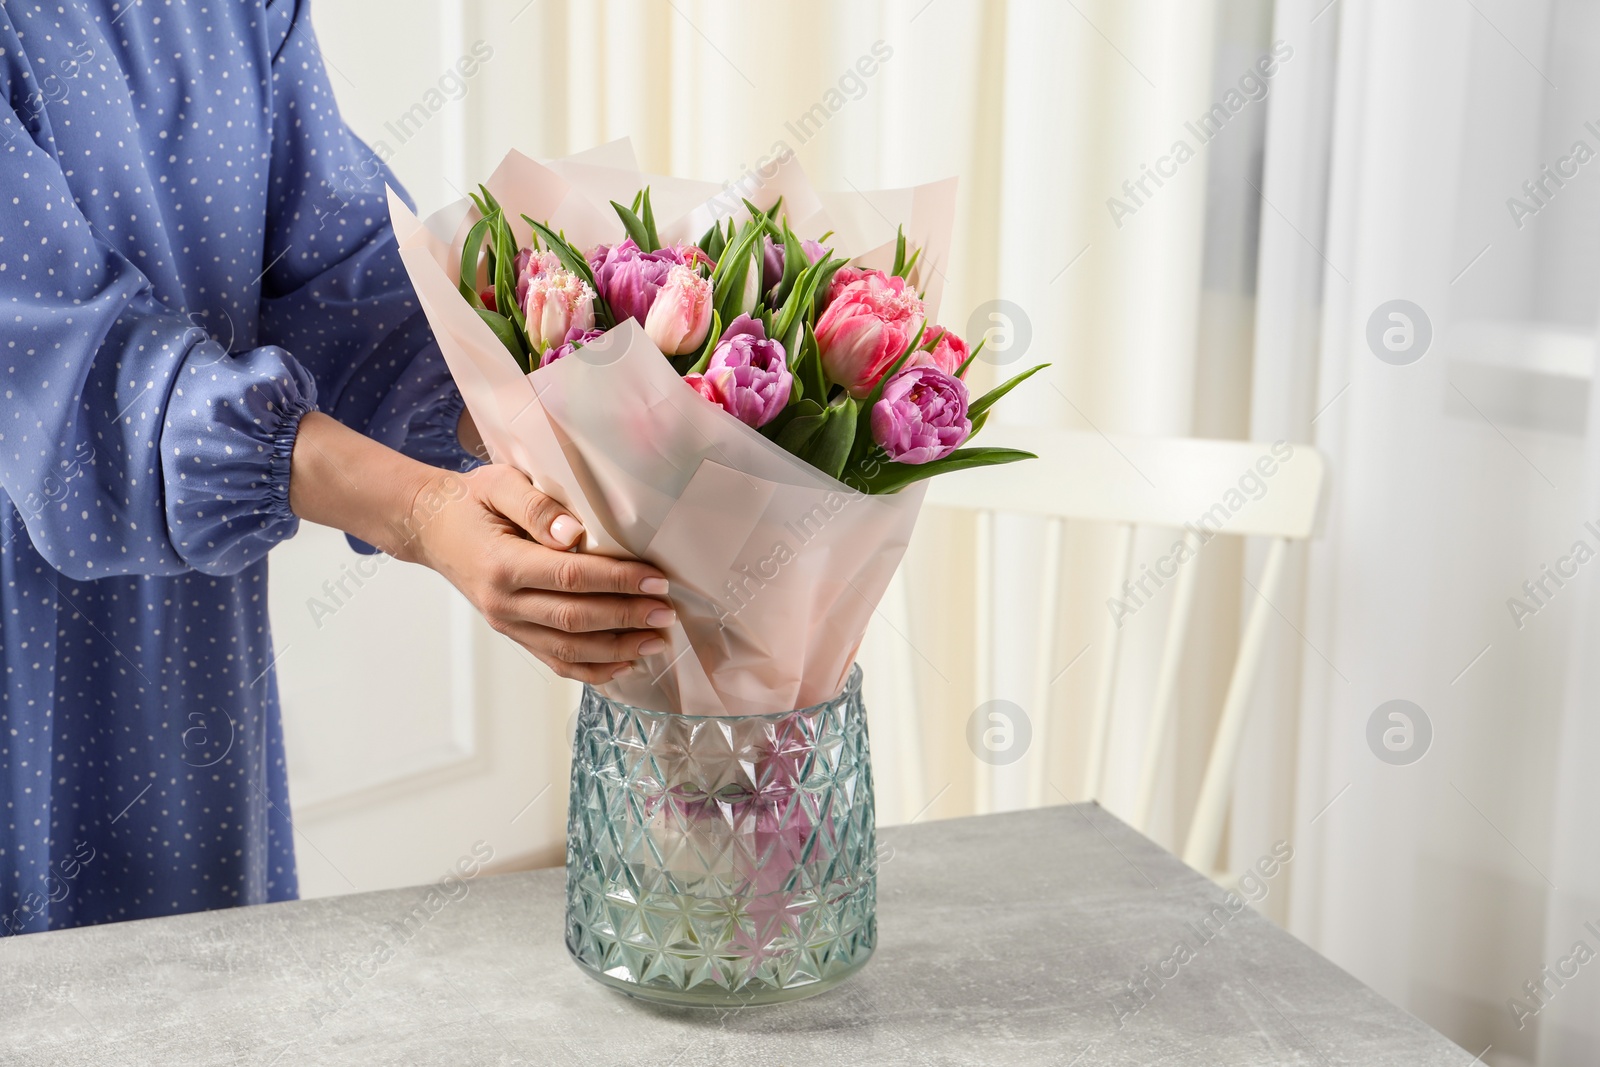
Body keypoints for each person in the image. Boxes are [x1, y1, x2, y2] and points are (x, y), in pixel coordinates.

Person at [0, 0, 672, 935]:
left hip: (188, 656)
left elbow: (340, 278)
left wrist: (577, 414)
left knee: (201, 983)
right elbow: (68, 376)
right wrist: (426, 511)